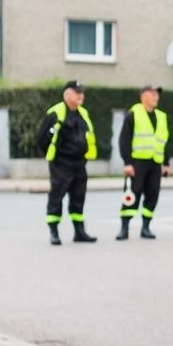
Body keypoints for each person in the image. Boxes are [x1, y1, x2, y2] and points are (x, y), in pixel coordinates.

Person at [38, 81, 97, 245]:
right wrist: (53, 157)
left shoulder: (83, 113)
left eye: (82, 92)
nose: (81, 96)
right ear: (67, 95)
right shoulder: (56, 113)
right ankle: (54, 232)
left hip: (79, 163)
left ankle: (79, 231)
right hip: (61, 163)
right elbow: (42, 138)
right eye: (77, 92)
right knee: (57, 196)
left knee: (79, 196)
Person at [117, 85, 170, 240]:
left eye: (157, 95)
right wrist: (127, 163)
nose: (156, 97)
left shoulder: (161, 116)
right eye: (152, 94)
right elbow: (124, 140)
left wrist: (166, 163)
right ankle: (124, 228)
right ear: (143, 96)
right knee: (132, 194)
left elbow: (163, 141)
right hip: (137, 162)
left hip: (155, 163)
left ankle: (146, 227)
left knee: (153, 194)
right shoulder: (133, 114)